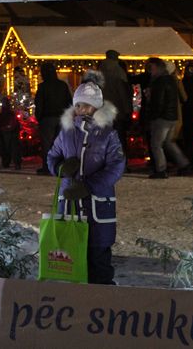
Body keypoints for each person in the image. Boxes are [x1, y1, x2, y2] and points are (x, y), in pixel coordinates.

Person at [47, 70, 125, 285]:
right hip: (70, 206)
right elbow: (52, 156)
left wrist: (90, 186)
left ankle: (102, 297)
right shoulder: (66, 132)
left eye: (88, 106)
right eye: (79, 105)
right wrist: (61, 168)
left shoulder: (108, 134)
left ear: (97, 107)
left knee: (98, 262)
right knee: (72, 261)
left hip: (97, 208)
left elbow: (116, 166)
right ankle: (76, 300)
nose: (82, 110)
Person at [147, 57, 190, 179]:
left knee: (156, 144)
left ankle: (161, 169)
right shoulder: (171, 80)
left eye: (152, 68)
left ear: (158, 68)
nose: (150, 71)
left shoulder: (160, 81)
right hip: (172, 116)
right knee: (168, 142)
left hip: (162, 117)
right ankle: (184, 163)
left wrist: (153, 115)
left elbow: (159, 101)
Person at [35, 62, 73, 175]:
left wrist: (39, 117)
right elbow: (69, 102)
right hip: (61, 117)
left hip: (47, 118)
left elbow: (39, 103)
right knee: (60, 144)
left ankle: (48, 167)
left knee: (47, 144)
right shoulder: (62, 85)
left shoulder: (43, 87)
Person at [100, 50, 133, 163]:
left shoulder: (100, 71)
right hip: (118, 110)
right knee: (119, 137)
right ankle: (121, 162)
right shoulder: (119, 72)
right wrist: (128, 110)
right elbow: (123, 93)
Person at [0, 97, 22, 170]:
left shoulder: (3, 115)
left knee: (8, 147)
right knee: (12, 147)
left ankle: (7, 162)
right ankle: (14, 162)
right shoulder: (10, 114)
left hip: (7, 132)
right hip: (10, 132)